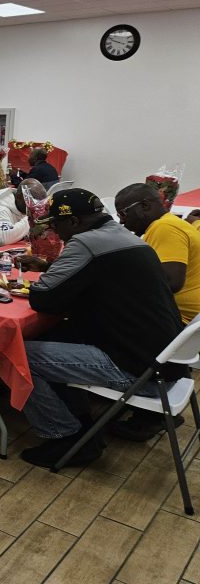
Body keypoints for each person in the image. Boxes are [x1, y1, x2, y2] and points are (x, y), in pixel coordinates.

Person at [19, 189, 188, 467]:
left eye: (57, 226)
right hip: (167, 365)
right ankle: (79, 421)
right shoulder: (129, 239)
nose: (56, 234)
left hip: (143, 375)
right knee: (57, 333)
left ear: (73, 222)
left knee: (15, 354)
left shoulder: (86, 242)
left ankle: (66, 436)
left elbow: (43, 298)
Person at [108, 182, 200, 440]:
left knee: (93, 321)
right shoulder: (170, 223)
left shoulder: (164, 227)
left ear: (146, 206)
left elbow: (171, 281)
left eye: (123, 213)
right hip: (187, 326)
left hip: (175, 321)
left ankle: (141, 403)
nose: (121, 221)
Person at [0, 179, 46, 250]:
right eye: (33, 203)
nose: (36, 207)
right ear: (19, 197)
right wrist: (31, 217)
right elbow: (4, 238)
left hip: (9, 254)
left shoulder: (22, 207)